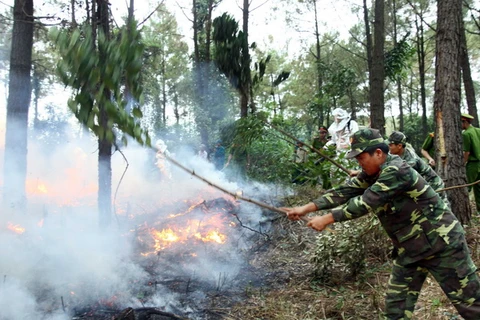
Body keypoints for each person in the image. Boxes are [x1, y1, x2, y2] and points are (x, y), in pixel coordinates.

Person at [283, 128, 480, 319]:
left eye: (361, 157)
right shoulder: (371, 174)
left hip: (442, 244)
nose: (359, 163)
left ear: (378, 153)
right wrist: (306, 208)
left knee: (471, 306)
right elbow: (344, 191)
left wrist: (326, 219)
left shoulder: (397, 169)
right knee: (396, 311)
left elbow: (365, 202)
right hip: (411, 249)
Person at [387, 131, 448, 202]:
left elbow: (401, 180)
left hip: (433, 184)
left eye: (391, 145)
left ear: (399, 146)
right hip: (419, 186)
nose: (389, 147)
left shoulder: (411, 161)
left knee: (440, 209)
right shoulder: (393, 153)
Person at [462, 113, 480, 214]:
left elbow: (467, 152)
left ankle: (464, 212)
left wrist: (463, 163)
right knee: (478, 188)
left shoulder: (466, 134)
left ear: (465, 122)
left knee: (466, 188)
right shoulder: (478, 130)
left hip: (473, 164)